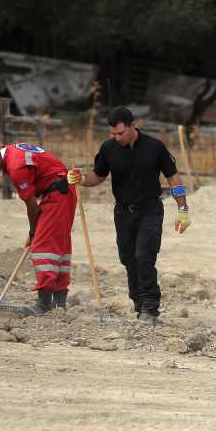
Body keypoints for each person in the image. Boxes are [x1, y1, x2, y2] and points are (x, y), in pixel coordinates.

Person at [67, 107, 190, 324]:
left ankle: (150, 307)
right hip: (123, 212)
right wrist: (81, 179)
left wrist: (182, 209)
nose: (116, 138)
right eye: (113, 134)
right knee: (128, 258)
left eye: (120, 133)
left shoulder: (155, 147)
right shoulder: (108, 149)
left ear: (133, 126)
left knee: (144, 255)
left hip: (150, 209)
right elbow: (98, 176)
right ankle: (138, 303)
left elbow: (173, 178)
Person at [0, 142, 77, 315]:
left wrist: (33, 232)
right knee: (59, 247)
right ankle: (59, 305)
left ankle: (44, 305)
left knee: (43, 247)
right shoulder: (12, 151)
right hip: (61, 191)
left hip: (58, 193)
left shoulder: (16, 166)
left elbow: (32, 206)